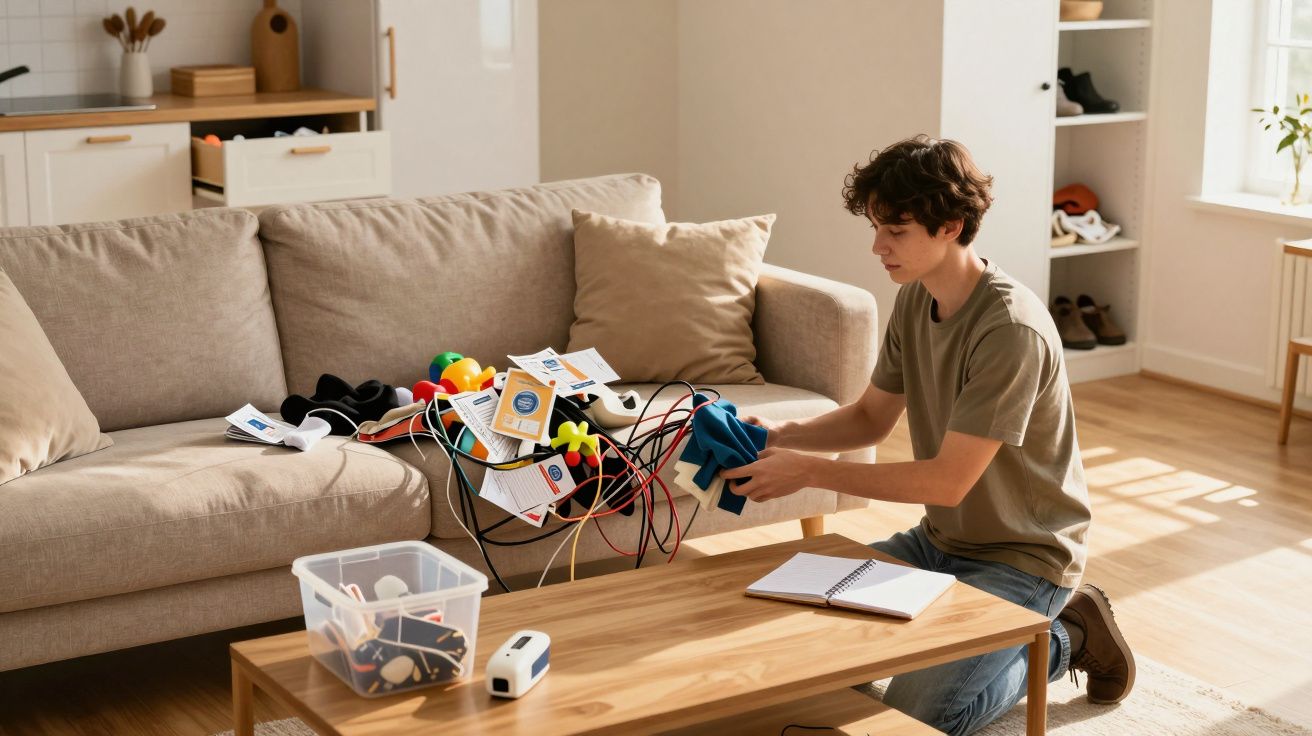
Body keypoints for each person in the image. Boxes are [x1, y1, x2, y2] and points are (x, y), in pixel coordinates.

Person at [720, 135, 1135, 736]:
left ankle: (1068, 635)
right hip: (937, 542)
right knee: (795, 652)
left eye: (896, 230)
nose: (877, 246)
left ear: (951, 226)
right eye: (876, 228)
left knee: (917, 718)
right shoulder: (917, 299)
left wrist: (808, 472)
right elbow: (870, 418)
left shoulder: (1010, 331)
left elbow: (946, 482)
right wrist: (783, 435)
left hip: (1024, 560)